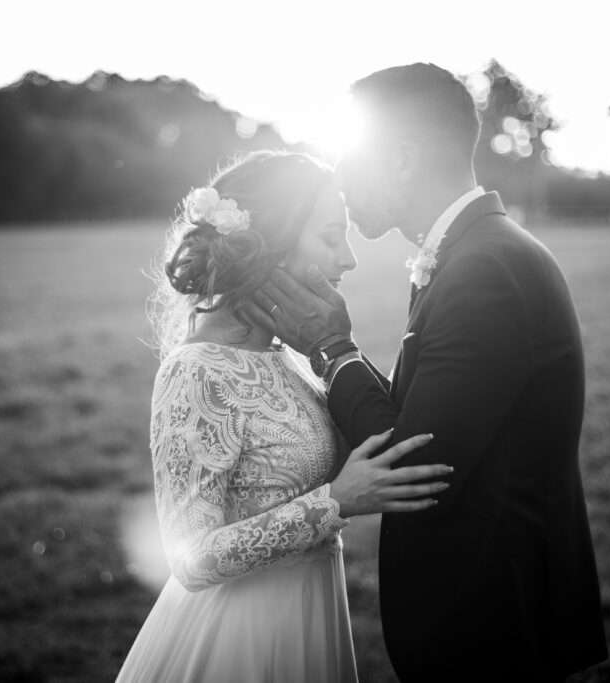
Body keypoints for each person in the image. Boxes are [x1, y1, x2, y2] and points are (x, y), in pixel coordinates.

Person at [247, 64, 609, 682]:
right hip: (495, 608)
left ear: (403, 159)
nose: (341, 178)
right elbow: (433, 421)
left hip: (490, 624)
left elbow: (413, 462)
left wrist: (333, 347)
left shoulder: (485, 270)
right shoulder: (478, 253)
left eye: (351, 158)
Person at [115, 151, 453, 682]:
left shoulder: (290, 356)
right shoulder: (196, 371)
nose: (349, 259)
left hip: (312, 614)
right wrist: (337, 501)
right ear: (269, 244)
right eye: (329, 236)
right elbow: (190, 559)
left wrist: (338, 349)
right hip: (238, 636)